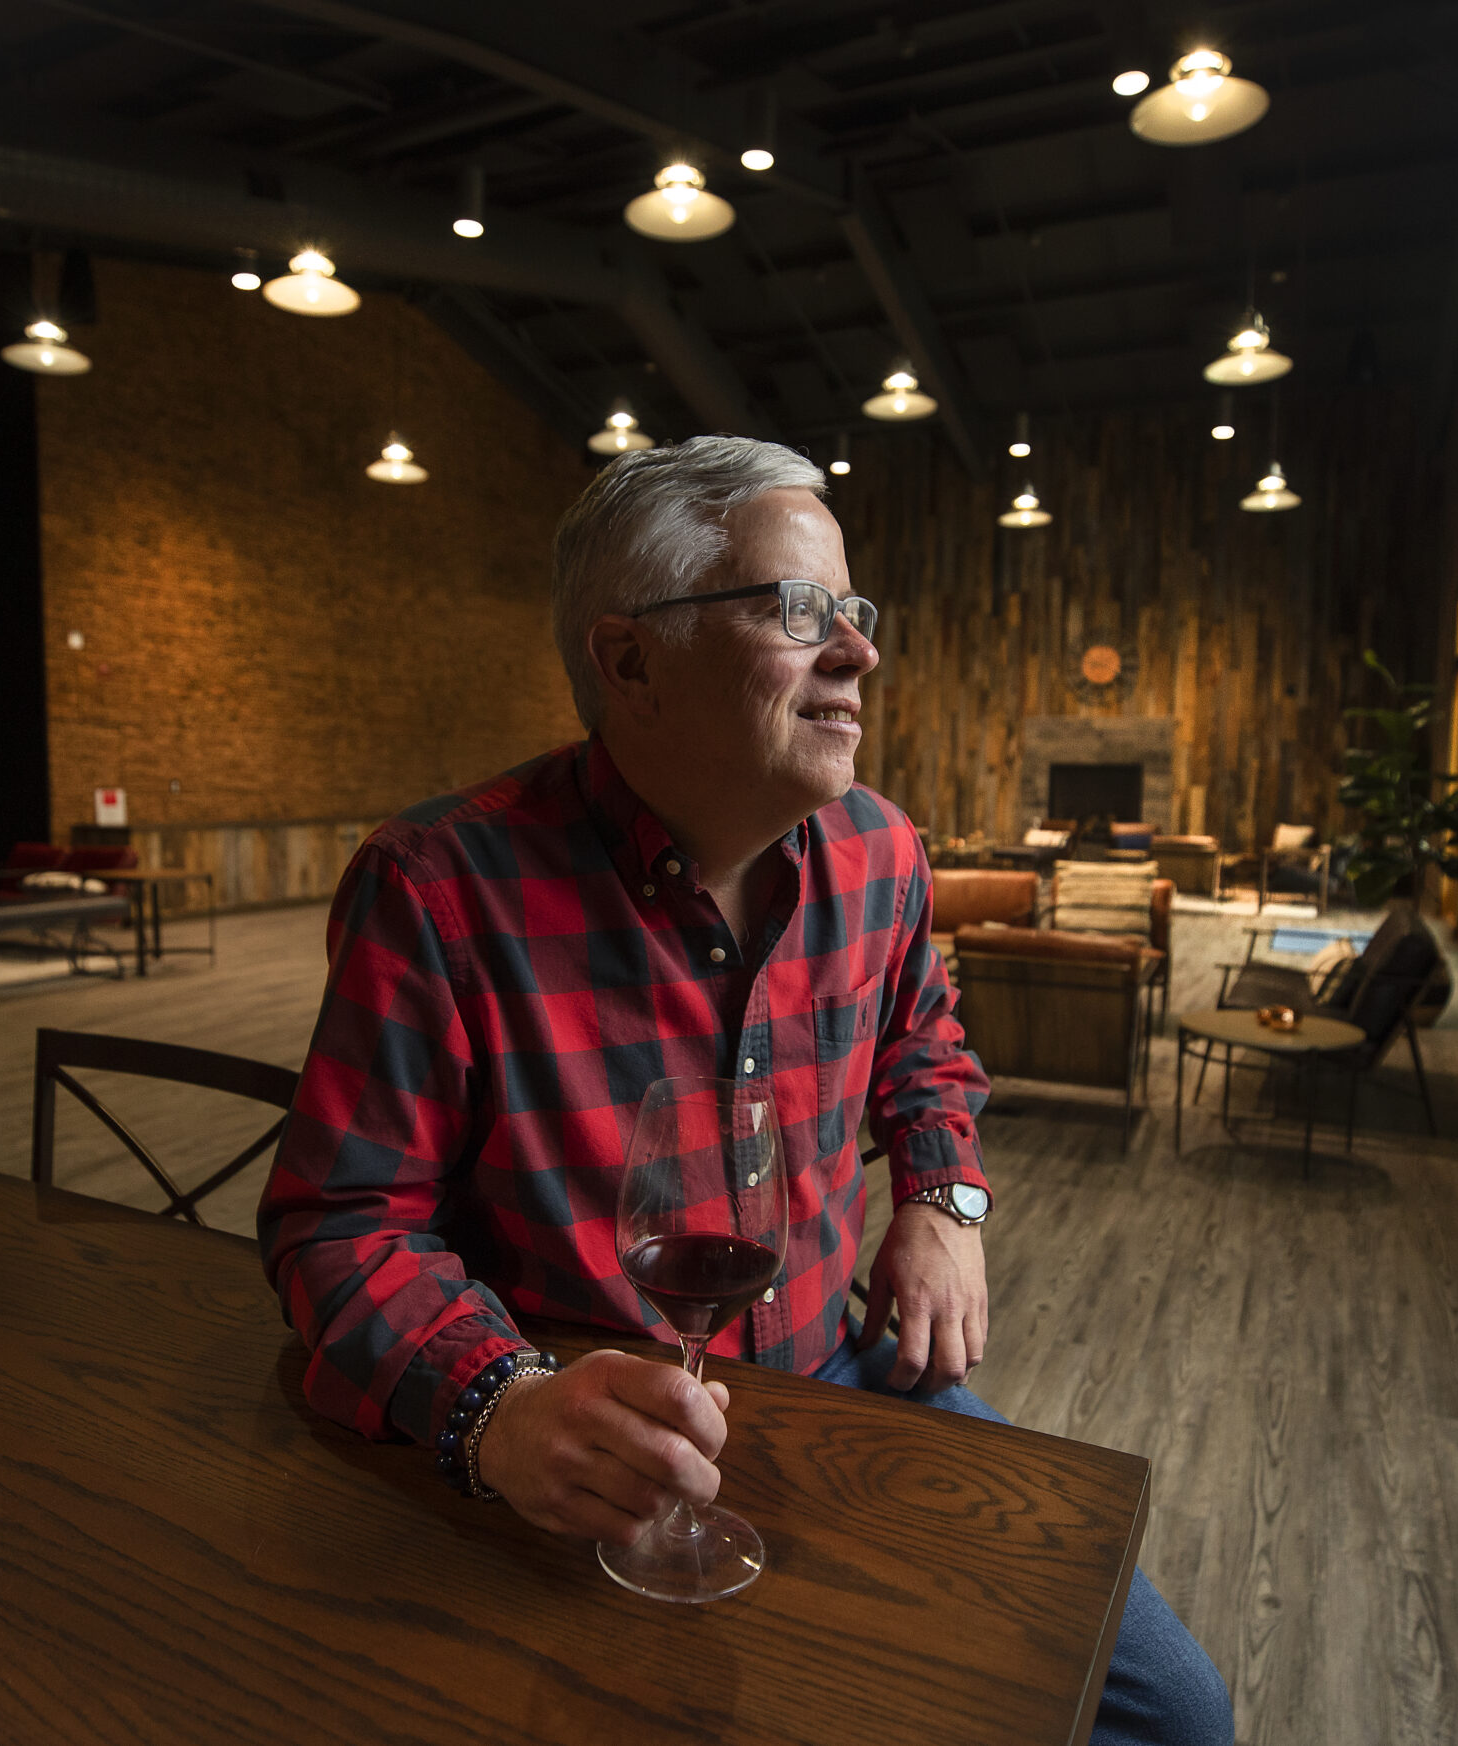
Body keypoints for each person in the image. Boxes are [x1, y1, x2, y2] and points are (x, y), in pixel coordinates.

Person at [260, 436, 1231, 1746]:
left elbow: (924, 1045)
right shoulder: (442, 887)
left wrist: (943, 1196)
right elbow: (339, 1222)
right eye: (795, 610)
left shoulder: (882, 852)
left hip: (842, 1377)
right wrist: (499, 1405)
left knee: (1180, 1712)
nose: (858, 652)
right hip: (582, 1428)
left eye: (854, 611)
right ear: (629, 658)